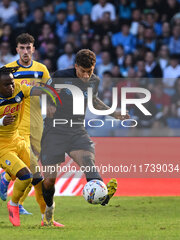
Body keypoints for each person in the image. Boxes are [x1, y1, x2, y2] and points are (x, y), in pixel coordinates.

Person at [40, 49, 130, 226]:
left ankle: (102, 196)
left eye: (90, 71)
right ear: (75, 67)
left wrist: (114, 113)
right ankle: (48, 212)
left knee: (88, 161)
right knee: (49, 180)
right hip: (54, 131)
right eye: (83, 71)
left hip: (76, 131)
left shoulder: (94, 81)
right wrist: (49, 104)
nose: (87, 75)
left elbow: (94, 101)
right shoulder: (60, 76)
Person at [0, 65, 62, 227]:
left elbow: (38, 90)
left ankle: (47, 220)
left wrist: (54, 93)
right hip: (0, 147)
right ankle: (14, 204)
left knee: (38, 180)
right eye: (7, 84)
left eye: (12, 82)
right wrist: (0, 122)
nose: (11, 86)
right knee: (25, 176)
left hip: (18, 141)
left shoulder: (19, 89)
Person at [0, 33, 50, 217]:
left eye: (29, 48)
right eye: (22, 48)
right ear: (17, 50)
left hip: (37, 125)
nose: (26, 51)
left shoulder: (42, 69)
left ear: (33, 49)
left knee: (33, 166)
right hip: (17, 126)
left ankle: (17, 199)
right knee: (32, 167)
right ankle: (9, 184)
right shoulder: (8, 70)